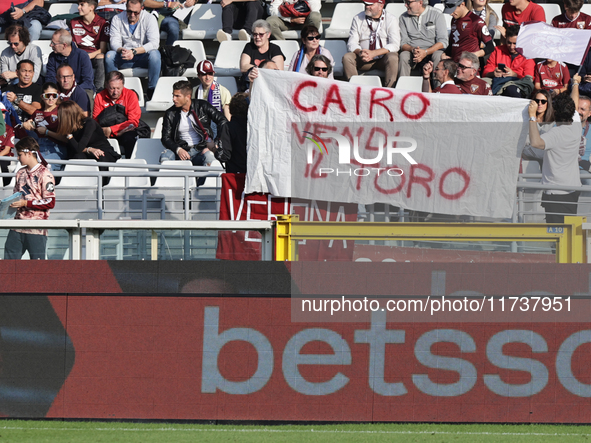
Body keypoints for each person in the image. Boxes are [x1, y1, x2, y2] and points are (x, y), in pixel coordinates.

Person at [527, 91, 581, 223]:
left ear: (555, 112)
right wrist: (575, 84)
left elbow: (535, 142)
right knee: (569, 233)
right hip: (572, 190)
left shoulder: (556, 133)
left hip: (556, 194)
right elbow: (573, 101)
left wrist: (532, 116)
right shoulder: (576, 126)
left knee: (557, 235)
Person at [4, 136, 56, 260]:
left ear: (28, 153)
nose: (17, 158)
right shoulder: (20, 173)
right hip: (17, 227)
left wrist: (25, 203)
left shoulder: (45, 174)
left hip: (36, 228)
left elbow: (50, 201)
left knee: (37, 269)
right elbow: (16, 197)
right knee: (8, 266)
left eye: (20, 154)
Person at [160, 80, 228, 173]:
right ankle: (168, 186)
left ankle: (202, 187)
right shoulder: (170, 113)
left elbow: (223, 121)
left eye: (177, 96)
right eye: (173, 95)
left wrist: (215, 143)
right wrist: (178, 149)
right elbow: (165, 138)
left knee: (209, 157)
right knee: (165, 156)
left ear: (188, 97)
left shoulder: (202, 106)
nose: (173, 99)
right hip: (180, 151)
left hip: (200, 150)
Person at [105, 0, 161, 99]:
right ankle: (114, 90)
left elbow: (154, 43)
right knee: (109, 56)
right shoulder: (117, 18)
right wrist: (122, 50)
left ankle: (152, 90)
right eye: (129, 11)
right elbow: (114, 42)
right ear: (125, 7)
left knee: (155, 55)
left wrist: (134, 51)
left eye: (136, 12)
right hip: (124, 55)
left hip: (143, 56)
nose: (132, 15)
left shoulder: (150, 18)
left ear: (142, 8)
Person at [342, 0, 400, 88]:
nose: (367, 6)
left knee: (393, 57)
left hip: (382, 59)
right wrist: (360, 52)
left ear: (381, 6)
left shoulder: (391, 19)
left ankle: (390, 91)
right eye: (366, 4)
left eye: (371, 5)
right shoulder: (357, 18)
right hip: (363, 58)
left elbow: (395, 44)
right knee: (347, 57)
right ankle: (354, 90)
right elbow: (351, 43)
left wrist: (374, 53)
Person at [93, 70, 142, 159]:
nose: (115, 92)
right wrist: (112, 133)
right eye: (112, 88)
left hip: (124, 131)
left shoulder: (131, 95)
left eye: (118, 88)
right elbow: (96, 122)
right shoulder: (99, 96)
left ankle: (130, 165)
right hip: (105, 133)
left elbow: (133, 122)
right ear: (106, 85)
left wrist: (111, 130)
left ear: (123, 85)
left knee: (130, 138)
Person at [56, 100, 121, 166]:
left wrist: (69, 135)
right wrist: (89, 149)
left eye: (60, 116)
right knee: (77, 157)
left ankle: (103, 176)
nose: (58, 118)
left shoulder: (89, 123)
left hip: (102, 150)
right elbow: (75, 149)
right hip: (85, 151)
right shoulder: (70, 127)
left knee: (100, 157)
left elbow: (78, 148)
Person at [21, 82, 68, 171]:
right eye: (47, 96)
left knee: (41, 171)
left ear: (58, 96)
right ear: (42, 96)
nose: (51, 98)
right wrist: (26, 124)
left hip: (56, 148)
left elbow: (66, 138)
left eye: (54, 95)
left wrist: (47, 132)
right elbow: (31, 124)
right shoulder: (37, 112)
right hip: (37, 147)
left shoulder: (62, 111)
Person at [45, 29, 95, 110]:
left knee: (87, 94)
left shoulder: (82, 56)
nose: (51, 45)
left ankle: (86, 120)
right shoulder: (52, 57)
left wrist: (72, 92)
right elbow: (50, 78)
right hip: (59, 89)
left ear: (64, 45)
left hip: (80, 89)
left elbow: (88, 81)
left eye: (54, 43)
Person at [398, 0, 448, 78]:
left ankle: (438, 88)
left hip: (432, 51)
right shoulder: (403, 18)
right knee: (404, 55)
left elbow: (443, 41)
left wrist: (426, 52)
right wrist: (413, 49)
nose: (405, 5)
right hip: (413, 52)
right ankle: (403, 88)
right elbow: (402, 43)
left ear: (420, 3)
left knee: (438, 56)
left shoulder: (436, 14)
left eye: (408, 2)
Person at [482, 25, 534, 97]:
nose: (512, 47)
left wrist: (515, 75)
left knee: (511, 90)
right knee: (480, 85)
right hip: (497, 81)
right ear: (505, 39)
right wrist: (493, 73)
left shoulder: (528, 55)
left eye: (515, 43)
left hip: (517, 84)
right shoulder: (498, 50)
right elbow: (486, 72)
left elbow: (529, 79)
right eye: (509, 43)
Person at [69, 0, 109, 93]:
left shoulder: (103, 22)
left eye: (82, 5)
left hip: (94, 55)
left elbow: (102, 49)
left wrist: (88, 56)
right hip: (79, 54)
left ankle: (99, 90)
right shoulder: (73, 22)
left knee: (101, 57)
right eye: (79, 4)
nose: (78, 7)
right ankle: (75, 89)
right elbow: (74, 45)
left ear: (92, 7)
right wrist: (82, 55)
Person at [240, 20, 285, 90]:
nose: (257, 37)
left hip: (269, 85)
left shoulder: (275, 49)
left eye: (261, 34)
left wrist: (257, 69)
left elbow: (278, 70)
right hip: (251, 85)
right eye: (255, 34)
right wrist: (265, 69)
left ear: (268, 35)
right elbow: (243, 67)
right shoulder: (249, 46)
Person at [216, 92, 248, 173]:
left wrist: (214, 148)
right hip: (253, 175)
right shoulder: (255, 127)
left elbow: (223, 156)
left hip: (235, 176)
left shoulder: (228, 127)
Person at [6, 59, 42, 124]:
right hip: (10, 127)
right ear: (17, 72)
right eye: (24, 71)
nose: (27, 74)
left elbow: (35, 112)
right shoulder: (8, 89)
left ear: (33, 73)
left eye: (30, 71)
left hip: (29, 128)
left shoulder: (38, 89)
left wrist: (16, 100)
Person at [0, 103, 15, 186]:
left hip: (4, 157)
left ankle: (4, 187)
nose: (2, 115)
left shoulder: (9, 129)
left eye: (3, 113)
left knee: (3, 164)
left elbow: (6, 150)